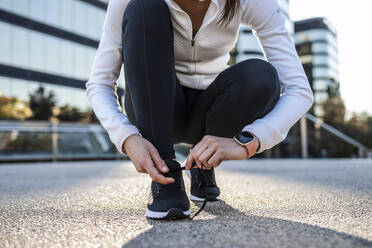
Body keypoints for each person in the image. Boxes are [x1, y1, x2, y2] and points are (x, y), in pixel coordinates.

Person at [86, 0, 314, 220]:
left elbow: (299, 90)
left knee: (261, 76)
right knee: (144, 6)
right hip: (156, 107)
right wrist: (127, 138)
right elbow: (100, 84)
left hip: (212, 114)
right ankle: (166, 178)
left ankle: (202, 164)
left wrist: (248, 142)